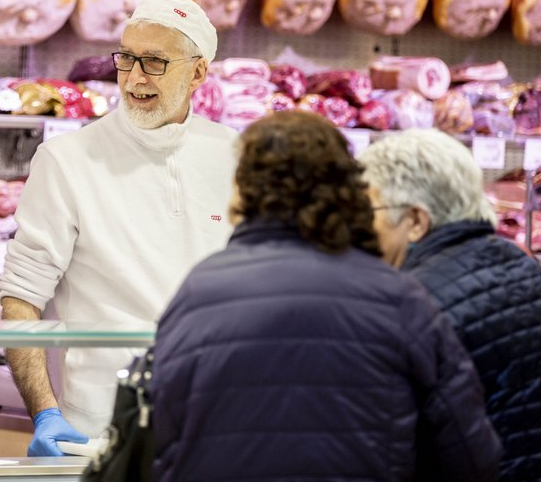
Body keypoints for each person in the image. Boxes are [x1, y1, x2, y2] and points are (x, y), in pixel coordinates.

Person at [150, 111, 501, 481]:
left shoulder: (197, 293)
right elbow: (471, 458)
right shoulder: (399, 299)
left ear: (242, 192)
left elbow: (163, 441)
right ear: (349, 191)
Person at [0, 0, 239, 455]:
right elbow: (21, 299)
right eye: (126, 59)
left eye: (154, 62)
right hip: (100, 429)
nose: (133, 79)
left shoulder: (237, 156)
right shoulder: (67, 159)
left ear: (198, 73)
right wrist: (46, 412)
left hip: (214, 421)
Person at [360, 129, 541, 481]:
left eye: (372, 211)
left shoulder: (420, 301)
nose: (363, 227)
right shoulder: (516, 261)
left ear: (415, 221)